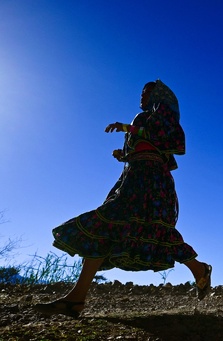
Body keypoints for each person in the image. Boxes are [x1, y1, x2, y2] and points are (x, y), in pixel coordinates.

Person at [33, 80, 212, 318]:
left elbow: (160, 137)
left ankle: (199, 269)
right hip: (135, 176)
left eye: (147, 91)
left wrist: (126, 128)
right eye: (142, 91)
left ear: (158, 94)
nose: (142, 95)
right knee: (109, 225)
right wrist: (125, 155)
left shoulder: (161, 114)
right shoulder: (143, 118)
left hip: (152, 179)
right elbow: (146, 145)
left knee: (145, 226)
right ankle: (76, 299)